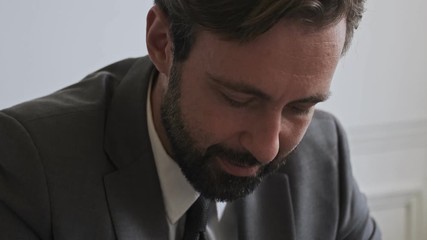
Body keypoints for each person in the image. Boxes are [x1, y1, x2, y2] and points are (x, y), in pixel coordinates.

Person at [0, 0, 381, 239]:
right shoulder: (28, 167)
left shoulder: (324, 156)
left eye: (300, 107)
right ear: (163, 43)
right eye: (238, 98)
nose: (268, 146)